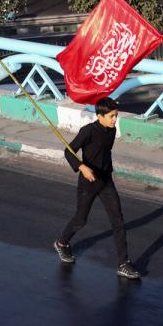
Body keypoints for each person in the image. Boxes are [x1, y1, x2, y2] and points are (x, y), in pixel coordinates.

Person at [53, 97, 140, 279]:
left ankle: (123, 263)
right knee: (80, 220)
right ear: (99, 116)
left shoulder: (112, 130)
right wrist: (82, 167)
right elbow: (69, 151)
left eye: (116, 116)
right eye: (111, 116)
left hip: (106, 181)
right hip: (88, 182)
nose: (115, 120)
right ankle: (62, 243)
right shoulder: (88, 131)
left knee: (118, 220)